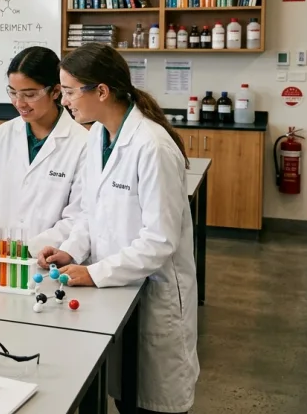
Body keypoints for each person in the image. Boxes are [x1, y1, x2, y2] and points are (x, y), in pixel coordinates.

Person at [37, 43, 198, 414]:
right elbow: (93, 213)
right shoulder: (98, 137)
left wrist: (93, 273)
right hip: (116, 292)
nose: (65, 102)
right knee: (123, 394)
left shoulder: (152, 147)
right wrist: (72, 250)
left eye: (71, 92)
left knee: (150, 404)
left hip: (154, 296)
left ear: (102, 91)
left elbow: (159, 241)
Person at [0, 46, 89, 254]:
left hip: (48, 259)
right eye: (13, 93)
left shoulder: (82, 143)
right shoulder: (2, 135)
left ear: (55, 91)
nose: (19, 103)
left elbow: (77, 216)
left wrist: (27, 249)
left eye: (29, 94)